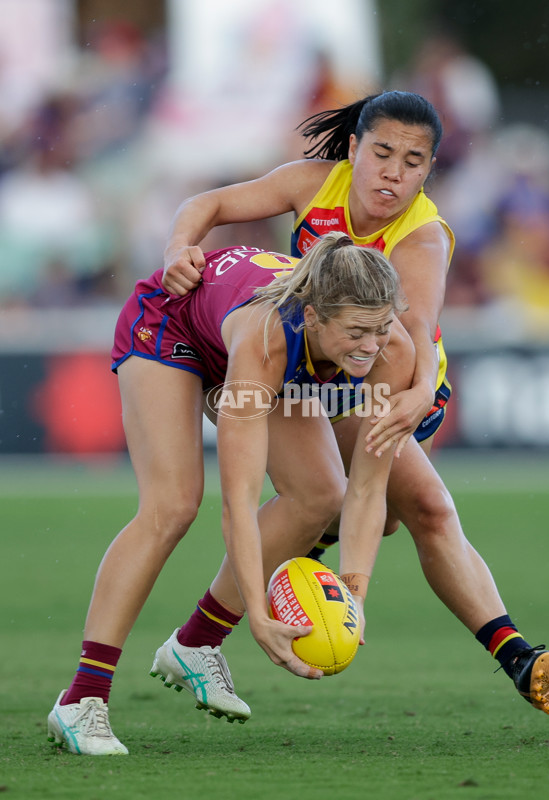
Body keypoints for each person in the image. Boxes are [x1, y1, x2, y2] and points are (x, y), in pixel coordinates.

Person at [157, 91, 549, 718]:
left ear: (429, 170)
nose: (393, 173)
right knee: (417, 506)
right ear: (354, 148)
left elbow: (414, 331)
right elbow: (206, 204)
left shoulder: (422, 237)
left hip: (394, 380)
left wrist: (420, 392)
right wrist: (179, 247)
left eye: (412, 162)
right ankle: (515, 653)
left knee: (384, 515)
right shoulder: (314, 183)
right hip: (319, 373)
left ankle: (298, 560)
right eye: (382, 153)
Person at [47, 232, 415, 756]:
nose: (371, 346)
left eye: (380, 328)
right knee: (172, 506)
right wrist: (258, 621)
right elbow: (239, 502)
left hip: (238, 338)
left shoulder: (391, 349)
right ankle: (82, 698)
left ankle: (197, 643)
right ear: (313, 317)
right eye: (356, 332)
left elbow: (368, 488)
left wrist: (355, 592)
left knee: (321, 495)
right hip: (171, 327)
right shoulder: (267, 341)